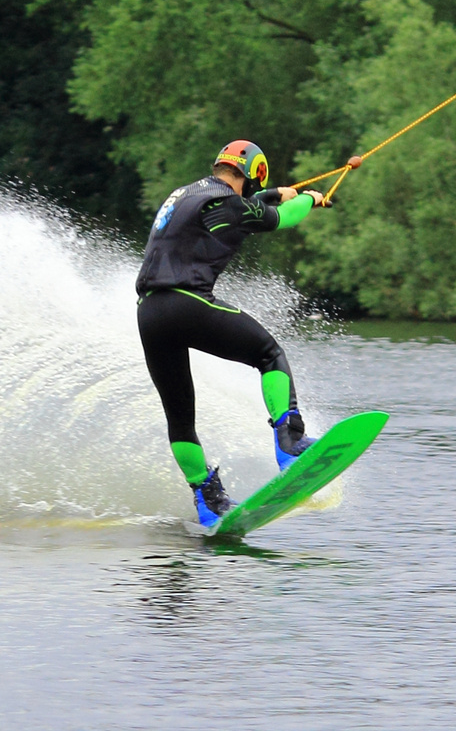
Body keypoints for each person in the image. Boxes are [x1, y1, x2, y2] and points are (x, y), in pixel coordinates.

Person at [135, 139, 328, 526]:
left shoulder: (187, 193)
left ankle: (207, 500)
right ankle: (290, 442)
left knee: (180, 417)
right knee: (268, 354)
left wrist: (273, 194)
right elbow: (281, 218)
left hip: (149, 312)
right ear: (254, 174)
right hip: (187, 302)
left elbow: (241, 204)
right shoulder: (231, 205)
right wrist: (309, 199)